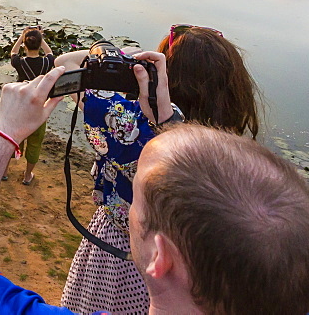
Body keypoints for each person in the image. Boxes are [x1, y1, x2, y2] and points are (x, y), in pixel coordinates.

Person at [0, 65, 309, 315]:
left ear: (161, 257)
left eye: (137, 197)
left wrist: (4, 132)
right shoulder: (296, 295)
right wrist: (169, 121)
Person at [56, 25, 260, 314]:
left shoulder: (128, 122)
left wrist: (129, 65)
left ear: (165, 76)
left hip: (118, 253)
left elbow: (65, 63)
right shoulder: (230, 151)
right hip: (189, 266)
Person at [6, 27, 54, 185]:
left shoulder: (19, 63)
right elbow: (50, 54)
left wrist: (21, 37)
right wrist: (41, 38)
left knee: (13, 140)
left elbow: (13, 52)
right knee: (35, 143)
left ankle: (4, 172)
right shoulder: (47, 63)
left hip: (20, 110)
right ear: (39, 45)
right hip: (38, 111)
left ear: (25, 46)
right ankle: (27, 176)